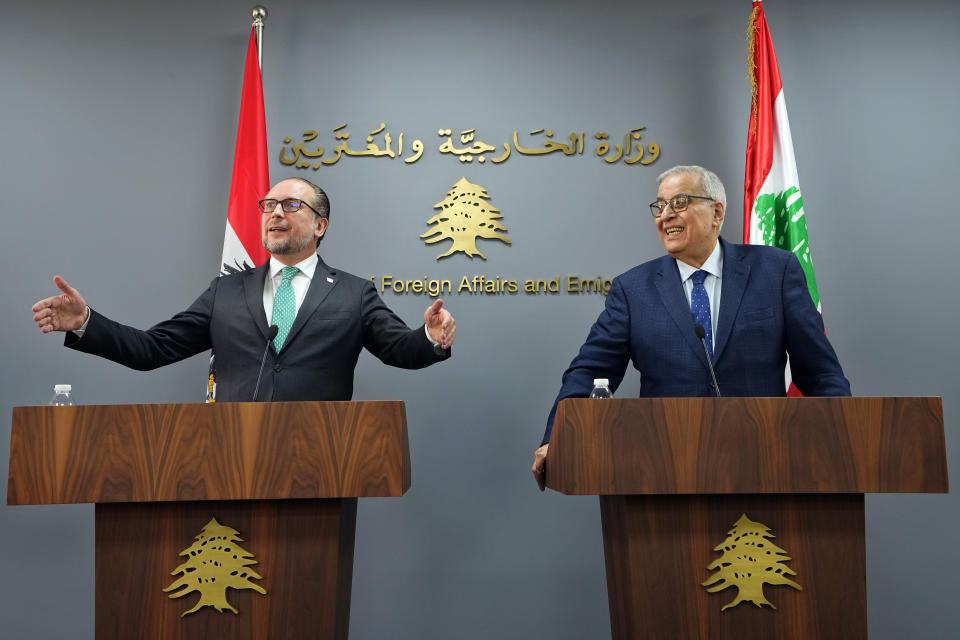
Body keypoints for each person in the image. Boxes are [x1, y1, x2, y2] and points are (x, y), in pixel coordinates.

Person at [531, 165, 850, 490]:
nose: (665, 215)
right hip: (665, 470)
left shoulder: (774, 272)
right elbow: (590, 371)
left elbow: (820, 373)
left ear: (716, 212)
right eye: (660, 206)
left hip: (766, 462)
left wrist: (845, 436)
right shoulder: (633, 290)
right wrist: (558, 437)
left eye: (680, 202)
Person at [31, 177, 456, 401]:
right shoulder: (227, 292)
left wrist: (430, 339)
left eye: (291, 205)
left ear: (320, 225)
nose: (275, 212)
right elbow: (152, 349)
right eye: (268, 205)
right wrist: (86, 323)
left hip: (321, 462)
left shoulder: (353, 294)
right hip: (230, 459)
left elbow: (401, 349)